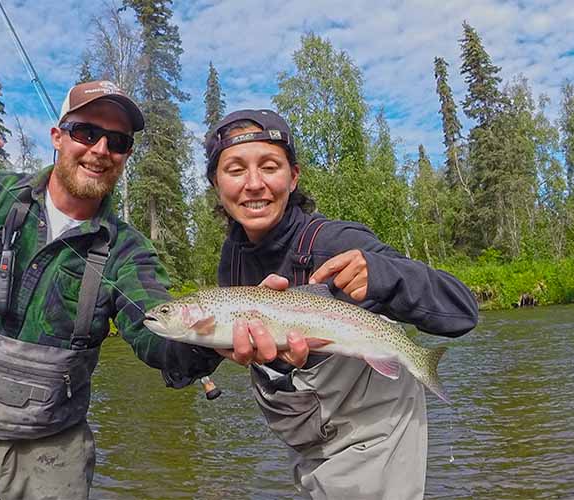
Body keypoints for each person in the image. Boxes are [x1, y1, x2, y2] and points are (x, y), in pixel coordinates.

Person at [0, 80, 226, 499]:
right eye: (87, 133)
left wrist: (214, 340)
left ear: (125, 155)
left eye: (118, 141)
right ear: (58, 137)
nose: (101, 150)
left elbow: (153, 333)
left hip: (54, 450)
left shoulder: (128, 251)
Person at [203, 109, 480, 499]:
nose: (254, 184)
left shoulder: (335, 240)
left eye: (269, 166)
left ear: (293, 177)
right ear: (216, 183)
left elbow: (462, 310)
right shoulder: (233, 260)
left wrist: (384, 275)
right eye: (235, 170)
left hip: (376, 438)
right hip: (305, 443)